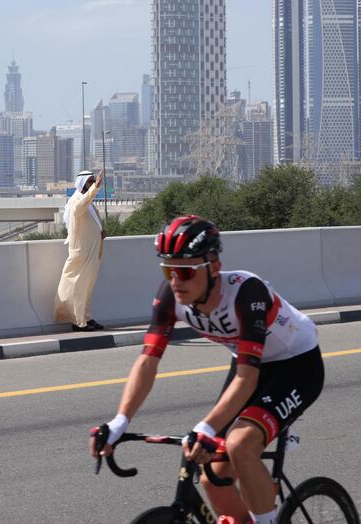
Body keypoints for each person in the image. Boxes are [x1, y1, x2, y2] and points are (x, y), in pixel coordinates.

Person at [89, 216, 324, 524]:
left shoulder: (246, 293)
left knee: (241, 444)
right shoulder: (171, 297)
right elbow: (148, 360)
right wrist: (120, 421)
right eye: (168, 270)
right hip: (247, 362)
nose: (176, 280)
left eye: (185, 271)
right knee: (212, 471)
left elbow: (248, 378)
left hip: (296, 365)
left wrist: (208, 428)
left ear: (213, 267)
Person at [54, 169, 106, 332]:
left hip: (92, 251)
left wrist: (101, 231)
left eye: (93, 181)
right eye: (89, 181)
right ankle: (78, 321)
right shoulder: (77, 200)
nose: (91, 183)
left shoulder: (87, 201)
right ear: (83, 183)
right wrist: (95, 187)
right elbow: (79, 208)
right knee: (79, 286)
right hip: (82, 251)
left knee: (87, 287)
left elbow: (91, 220)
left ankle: (86, 318)